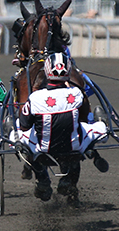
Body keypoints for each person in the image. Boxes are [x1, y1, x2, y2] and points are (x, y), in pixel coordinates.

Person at [14, 52, 107, 201]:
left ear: (47, 71)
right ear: (69, 71)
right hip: (74, 147)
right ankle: (102, 124)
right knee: (100, 129)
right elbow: (84, 120)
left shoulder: (35, 98)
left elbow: (25, 126)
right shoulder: (77, 94)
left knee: (17, 130)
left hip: (43, 149)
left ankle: (42, 178)